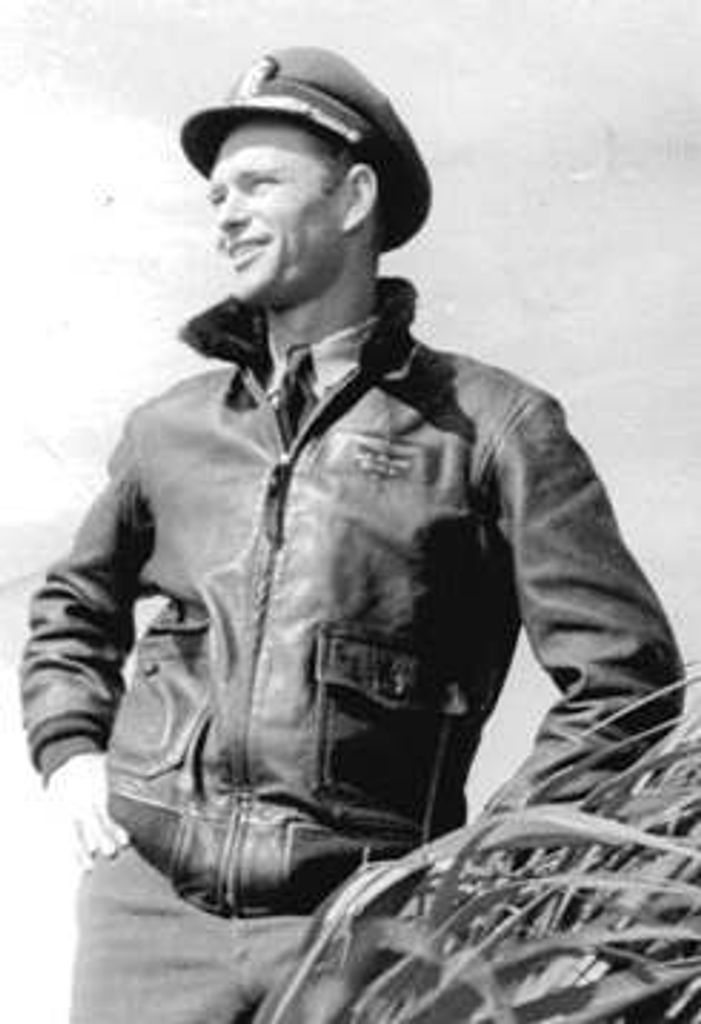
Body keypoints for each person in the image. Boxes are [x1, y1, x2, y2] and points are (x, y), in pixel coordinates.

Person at [20, 46, 682, 1024]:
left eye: (258, 184)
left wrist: (480, 865)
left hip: (361, 934)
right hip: (145, 928)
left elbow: (625, 682)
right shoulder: (169, 430)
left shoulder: (492, 429)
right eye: (216, 196)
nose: (226, 214)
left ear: (354, 198)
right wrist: (69, 748)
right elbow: (72, 610)